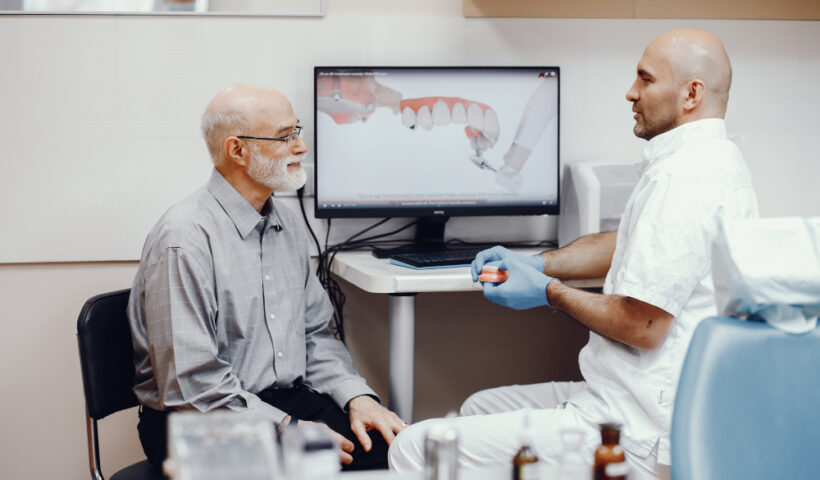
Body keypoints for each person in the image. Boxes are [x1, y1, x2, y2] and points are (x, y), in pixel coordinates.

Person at [388, 29, 758, 480]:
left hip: (638, 429)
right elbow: (628, 244)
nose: (631, 92)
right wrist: (539, 263)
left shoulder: (686, 179)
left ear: (691, 94)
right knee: (476, 408)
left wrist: (550, 292)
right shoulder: (708, 158)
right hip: (622, 395)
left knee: (415, 448)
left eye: (645, 79)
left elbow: (642, 324)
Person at [127, 84, 405, 471]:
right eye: (284, 136)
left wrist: (357, 397)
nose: (301, 147)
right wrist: (287, 429)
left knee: (396, 456)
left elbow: (315, 336)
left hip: (281, 403)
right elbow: (191, 385)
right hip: (197, 420)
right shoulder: (184, 240)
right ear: (237, 150)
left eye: (298, 131)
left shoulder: (287, 226)